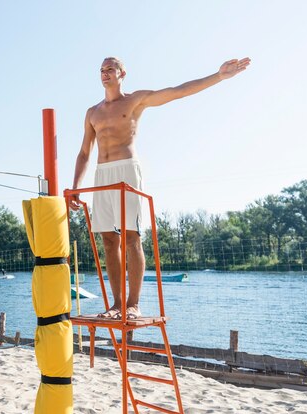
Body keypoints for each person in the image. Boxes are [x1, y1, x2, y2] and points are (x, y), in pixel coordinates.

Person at [70, 56, 250, 320]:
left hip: (127, 169)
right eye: (101, 70)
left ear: (122, 73)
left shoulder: (134, 100)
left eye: (110, 69)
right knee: (109, 240)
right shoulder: (92, 112)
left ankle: (133, 303)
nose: (105, 73)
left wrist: (218, 76)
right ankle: (116, 304)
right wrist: (75, 186)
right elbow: (85, 152)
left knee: (131, 236)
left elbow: (176, 92)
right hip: (102, 174)